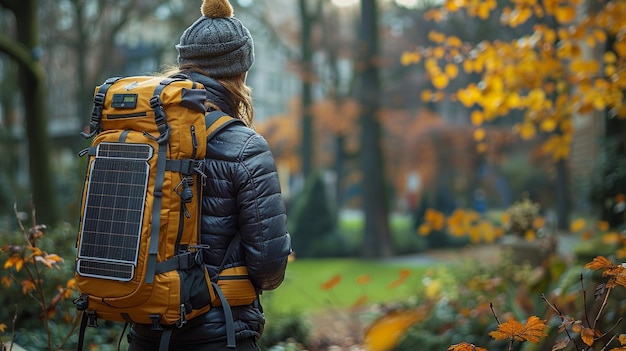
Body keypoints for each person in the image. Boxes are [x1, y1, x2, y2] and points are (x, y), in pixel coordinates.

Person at [127, 0, 292, 350]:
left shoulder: (143, 133)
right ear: (241, 71)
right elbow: (269, 267)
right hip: (219, 334)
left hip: (145, 330)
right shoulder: (245, 146)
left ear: (184, 64)